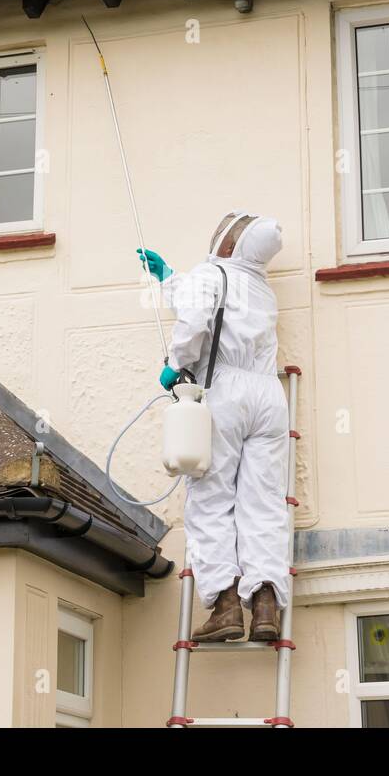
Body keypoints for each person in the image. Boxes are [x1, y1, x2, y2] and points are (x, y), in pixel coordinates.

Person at [138, 212, 290, 642]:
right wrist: (168, 277)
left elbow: (195, 318)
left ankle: (225, 606)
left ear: (228, 244)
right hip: (268, 396)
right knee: (263, 503)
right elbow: (203, 300)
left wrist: (175, 364)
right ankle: (264, 606)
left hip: (224, 391)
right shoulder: (261, 287)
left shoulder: (211, 273)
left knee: (210, 498)